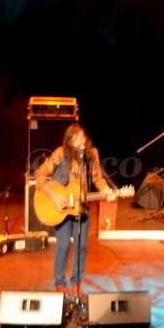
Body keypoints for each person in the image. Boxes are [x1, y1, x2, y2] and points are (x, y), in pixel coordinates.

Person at [35, 123, 112, 296]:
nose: (80, 140)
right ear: (69, 141)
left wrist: (106, 191)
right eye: (75, 138)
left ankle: (76, 282)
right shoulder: (60, 154)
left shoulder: (92, 155)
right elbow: (40, 175)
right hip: (60, 208)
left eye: (82, 136)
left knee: (81, 246)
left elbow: (97, 178)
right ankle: (59, 282)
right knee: (63, 245)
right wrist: (55, 197)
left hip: (81, 206)